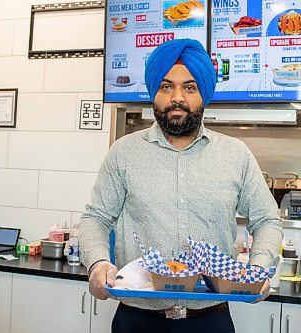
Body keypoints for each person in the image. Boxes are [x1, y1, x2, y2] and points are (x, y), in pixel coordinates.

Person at [80, 38, 283, 333]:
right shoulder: (123, 153)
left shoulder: (235, 154)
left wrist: (258, 268)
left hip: (210, 319)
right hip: (137, 320)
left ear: (203, 94)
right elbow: (96, 218)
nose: (177, 98)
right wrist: (97, 264)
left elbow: (267, 219)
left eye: (189, 87)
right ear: (154, 93)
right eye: (166, 86)